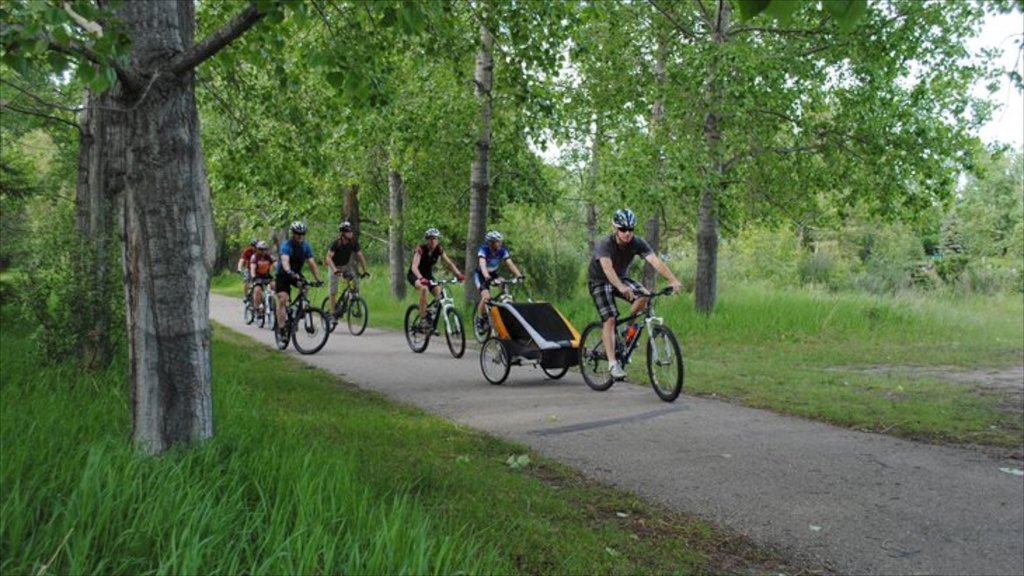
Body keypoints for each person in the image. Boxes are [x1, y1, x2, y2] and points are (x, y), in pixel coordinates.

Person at [588, 208, 681, 380]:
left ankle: (627, 334)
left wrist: (673, 280)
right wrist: (621, 287)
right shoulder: (605, 244)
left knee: (645, 295)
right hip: (600, 281)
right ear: (615, 229)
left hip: (621, 278)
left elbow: (654, 261)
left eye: (630, 230)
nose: (627, 233)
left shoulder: (637, 243)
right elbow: (608, 270)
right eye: (623, 230)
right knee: (610, 318)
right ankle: (613, 364)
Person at [275, 221, 324, 335]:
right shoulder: (286, 245)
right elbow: (285, 261)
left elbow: (312, 263)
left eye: (302, 234)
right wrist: (288, 270)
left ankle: (298, 311)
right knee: (283, 299)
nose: (300, 236)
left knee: (305, 287)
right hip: (283, 274)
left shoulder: (305, 246)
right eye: (297, 233)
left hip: (296, 274)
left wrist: (318, 279)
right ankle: (281, 327)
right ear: (293, 233)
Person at [407, 228, 463, 325]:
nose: (433, 241)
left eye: (435, 239)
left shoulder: (439, 249)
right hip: (415, 275)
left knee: (440, 293)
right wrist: (420, 278)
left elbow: (449, 263)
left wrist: (458, 274)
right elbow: (414, 267)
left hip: (428, 276)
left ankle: (431, 315)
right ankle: (423, 318)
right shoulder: (420, 249)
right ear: (427, 240)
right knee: (424, 289)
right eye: (430, 238)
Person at [473, 230, 524, 331]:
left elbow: (510, 263)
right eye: (497, 241)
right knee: (486, 297)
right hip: (481, 275)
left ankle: (504, 304)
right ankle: (479, 319)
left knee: (503, 281)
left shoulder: (502, 250)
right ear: (491, 243)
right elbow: (482, 264)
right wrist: (487, 276)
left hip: (493, 274)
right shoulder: (484, 249)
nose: (500, 243)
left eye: (500, 241)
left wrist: (519, 275)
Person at [326, 221, 370, 318]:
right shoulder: (336, 243)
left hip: (345, 266)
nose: (351, 233)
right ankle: (333, 312)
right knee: (333, 290)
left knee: (355, 282)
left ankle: (353, 302)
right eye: (348, 231)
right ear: (343, 233)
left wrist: (365, 271)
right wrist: (334, 270)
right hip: (334, 266)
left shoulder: (353, 242)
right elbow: (328, 258)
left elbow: (360, 256)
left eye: (351, 231)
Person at [248, 240, 275, 315]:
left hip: (267, 276)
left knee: (276, 286)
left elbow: (276, 264)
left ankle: (276, 303)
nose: (263, 251)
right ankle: (257, 308)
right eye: (261, 249)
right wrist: (253, 276)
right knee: (257, 290)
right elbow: (252, 267)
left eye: (264, 249)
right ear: (257, 249)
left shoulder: (269, 256)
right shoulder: (254, 257)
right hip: (257, 277)